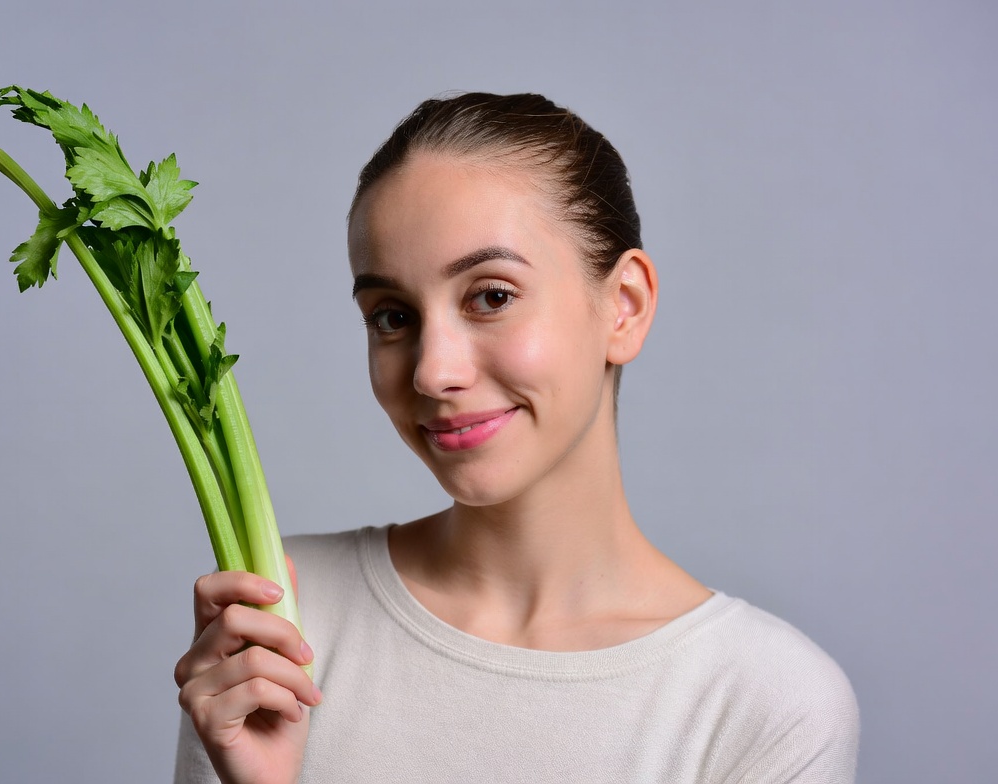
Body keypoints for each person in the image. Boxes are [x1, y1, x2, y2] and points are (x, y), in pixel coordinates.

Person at [172, 93, 860, 784]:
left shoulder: (763, 702)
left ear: (624, 306)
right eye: (391, 316)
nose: (434, 371)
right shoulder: (284, 617)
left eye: (491, 296)